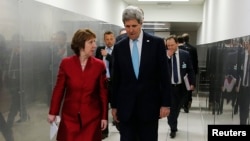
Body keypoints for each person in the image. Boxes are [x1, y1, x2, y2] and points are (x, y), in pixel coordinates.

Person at [111, 5, 172, 141]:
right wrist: (114, 106)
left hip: (149, 107)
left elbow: (164, 75)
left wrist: (166, 103)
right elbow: (116, 79)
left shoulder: (156, 44)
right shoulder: (119, 47)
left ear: (141, 23)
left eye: (134, 26)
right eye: (127, 26)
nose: (131, 30)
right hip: (126, 108)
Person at [47, 28, 108, 141]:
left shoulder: (99, 66)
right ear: (80, 44)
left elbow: (103, 93)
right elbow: (59, 89)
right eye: (91, 42)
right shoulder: (66, 63)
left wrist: (104, 117)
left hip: (92, 118)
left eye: (94, 41)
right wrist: (53, 112)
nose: (94, 45)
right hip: (70, 117)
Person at [165, 35, 196, 138]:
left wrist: (192, 83)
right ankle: (173, 128)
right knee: (172, 110)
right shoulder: (164, 55)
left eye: (172, 45)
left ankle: (173, 121)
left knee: (177, 108)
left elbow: (190, 69)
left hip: (182, 87)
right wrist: (168, 57)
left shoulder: (185, 54)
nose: (170, 47)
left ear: (177, 44)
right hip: (169, 88)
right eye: (168, 45)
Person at [95, 30, 116, 139]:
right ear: (104, 40)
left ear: (114, 39)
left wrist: (107, 55)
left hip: (114, 84)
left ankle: (119, 125)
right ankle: (104, 131)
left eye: (111, 39)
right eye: (107, 39)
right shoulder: (99, 50)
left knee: (116, 107)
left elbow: (118, 64)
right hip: (102, 83)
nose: (109, 41)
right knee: (103, 109)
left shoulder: (118, 50)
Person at [6, 34, 29, 127]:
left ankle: (9, 121)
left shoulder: (24, 53)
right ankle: (24, 115)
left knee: (15, 101)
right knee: (20, 99)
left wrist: (19, 54)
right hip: (10, 80)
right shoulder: (9, 52)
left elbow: (27, 68)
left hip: (20, 81)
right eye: (15, 41)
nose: (16, 43)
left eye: (18, 41)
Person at [181, 33, 199, 113]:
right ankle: (187, 105)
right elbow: (195, 61)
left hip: (182, 71)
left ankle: (182, 103)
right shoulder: (193, 48)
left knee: (182, 88)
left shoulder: (180, 48)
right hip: (190, 72)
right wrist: (195, 72)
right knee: (189, 89)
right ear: (189, 39)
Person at [236, 37, 250, 125]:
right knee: (243, 107)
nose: (246, 44)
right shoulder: (241, 55)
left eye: (247, 43)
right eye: (246, 42)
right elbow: (237, 70)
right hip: (243, 86)